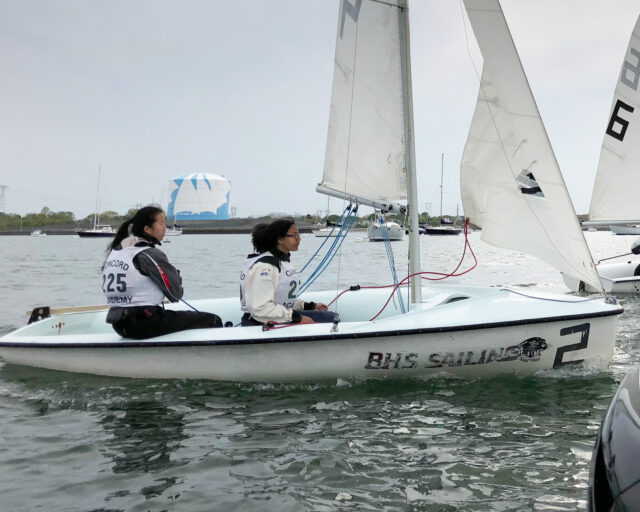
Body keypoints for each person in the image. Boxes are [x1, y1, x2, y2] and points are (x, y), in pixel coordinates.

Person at [103, 205, 222, 339]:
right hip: (143, 322)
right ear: (147, 229)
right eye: (161, 223)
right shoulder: (148, 253)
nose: (165, 227)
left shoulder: (117, 251)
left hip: (119, 324)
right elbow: (175, 294)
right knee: (213, 320)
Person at [240, 218, 336, 326]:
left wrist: (308, 306)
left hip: (276, 317)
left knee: (330, 316)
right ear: (280, 239)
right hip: (259, 322)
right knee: (329, 319)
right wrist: (296, 318)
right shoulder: (266, 267)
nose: (299, 239)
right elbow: (261, 308)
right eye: (294, 235)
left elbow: (282, 299)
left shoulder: (280, 262)